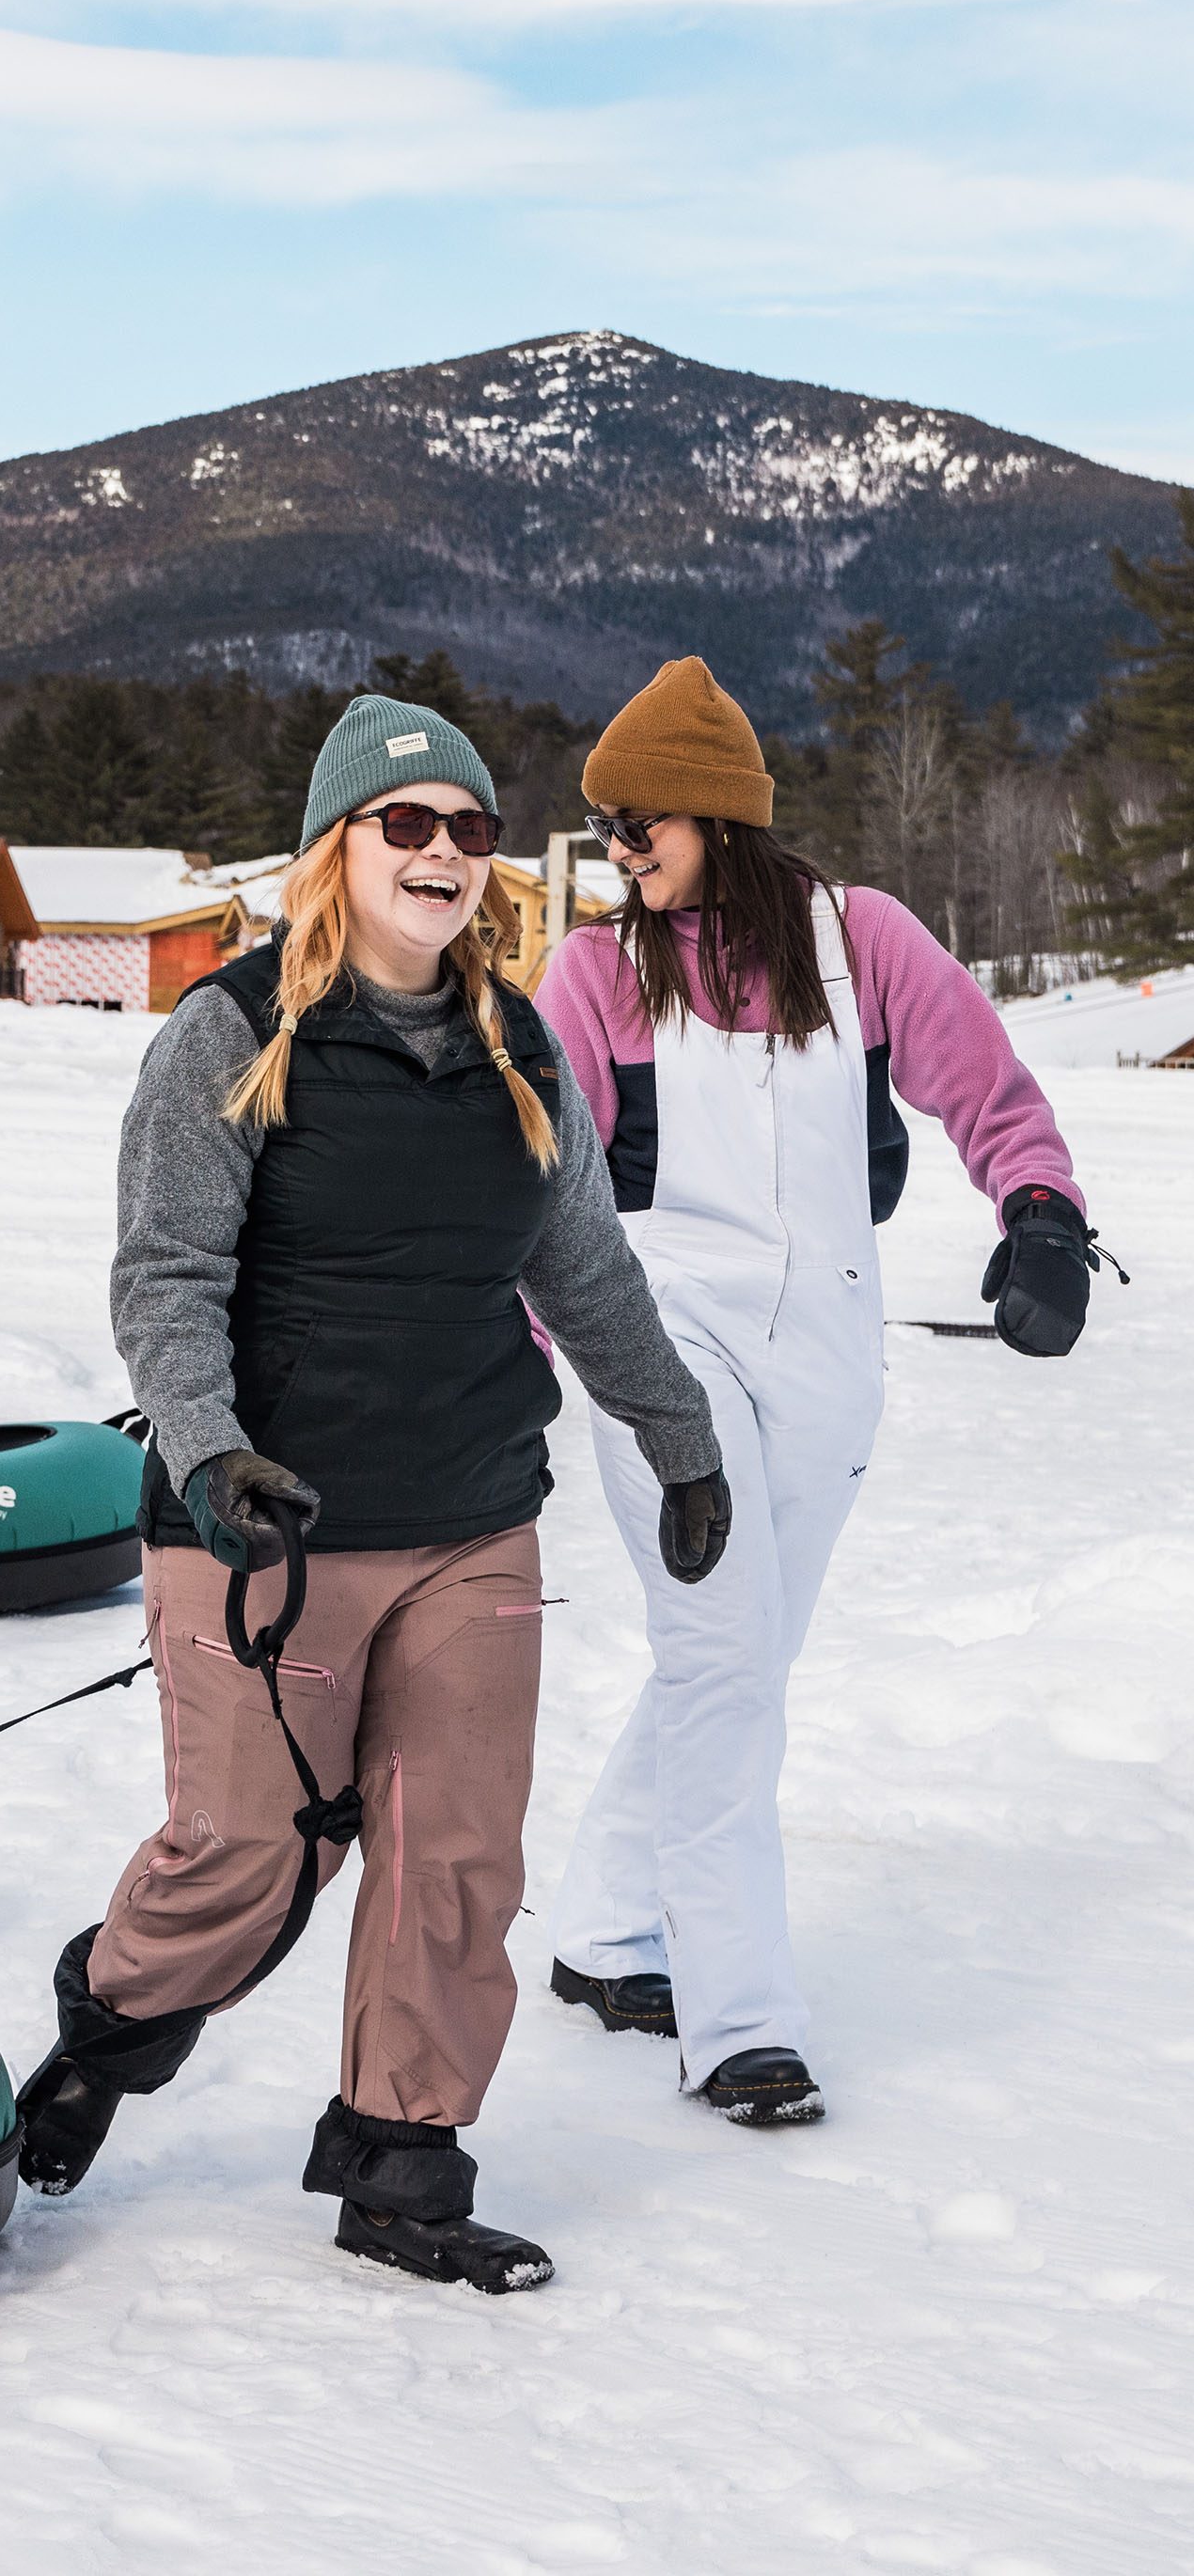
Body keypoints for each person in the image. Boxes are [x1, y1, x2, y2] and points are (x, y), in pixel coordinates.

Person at [16, 691, 727, 2294]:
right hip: (266, 1522)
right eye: (407, 823)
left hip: (470, 1510)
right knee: (250, 1852)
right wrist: (207, 1452)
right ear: (335, 847)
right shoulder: (229, 1029)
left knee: (454, 1852)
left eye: (471, 828)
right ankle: (110, 2031)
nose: (445, 852)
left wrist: (681, 1440)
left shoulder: (514, 1042)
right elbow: (167, 1277)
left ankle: (404, 2162)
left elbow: (589, 1274)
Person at [539, 655, 1102, 2127]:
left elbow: (987, 1087)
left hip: (830, 1360)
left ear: (717, 813)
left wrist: (1038, 1215)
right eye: (604, 827)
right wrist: (506, 1365)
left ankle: (604, 1933)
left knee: (732, 1666)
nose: (617, 849)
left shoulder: (862, 943)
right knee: (725, 1668)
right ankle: (740, 2023)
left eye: (637, 820)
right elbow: (535, 1189)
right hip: (659, 1355)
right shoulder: (597, 974)